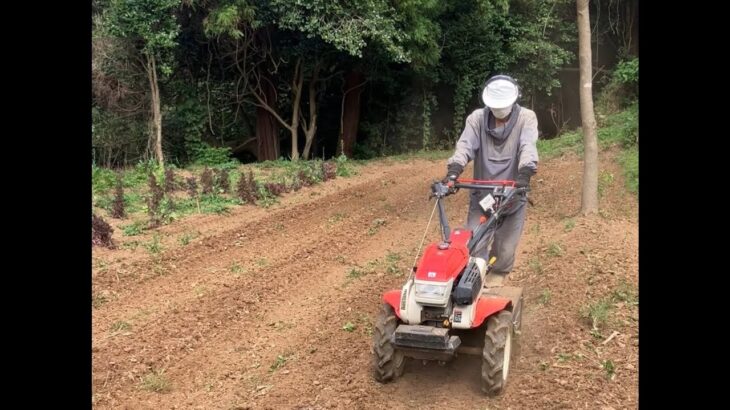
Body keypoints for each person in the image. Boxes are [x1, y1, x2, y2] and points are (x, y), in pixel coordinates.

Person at [444, 74, 539, 287]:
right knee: (474, 245)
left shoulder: (526, 118)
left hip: (513, 195)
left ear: (515, 99)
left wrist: (524, 174)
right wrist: (453, 171)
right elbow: (465, 146)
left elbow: (527, 147)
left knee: (505, 249)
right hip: (482, 196)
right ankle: (473, 282)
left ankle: (497, 276)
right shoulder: (476, 119)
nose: (499, 112)